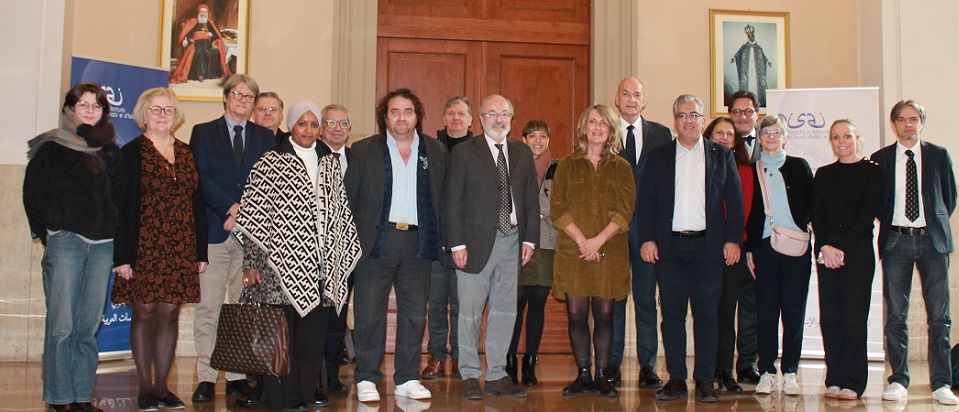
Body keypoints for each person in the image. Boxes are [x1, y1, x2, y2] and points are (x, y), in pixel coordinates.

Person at [233, 100, 361, 411]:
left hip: (320, 268)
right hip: (279, 269)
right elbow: (254, 217)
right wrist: (251, 265)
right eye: (302, 124)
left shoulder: (329, 162)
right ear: (291, 126)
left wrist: (339, 257)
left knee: (311, 339)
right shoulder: (270, 162)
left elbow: (339, 213)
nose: (308, 130)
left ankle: (306, 393)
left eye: (313, 124)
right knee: (283, 338)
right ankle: (283, 397)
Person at [24, 82, 125, 412]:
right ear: (71, 108)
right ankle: (58, 398)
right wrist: (47, 232)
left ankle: (81, 396)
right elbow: (33, 194)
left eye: (96, 106)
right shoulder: (52, 146)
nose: (90, 110)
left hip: (102, 245)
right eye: (83, 104)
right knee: (62, 326)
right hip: (67, 241)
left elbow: (120, 198)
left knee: (86, 326)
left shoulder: (111, 151)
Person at [638, 95, 744, 403]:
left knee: (707, 316)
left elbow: (735, 203)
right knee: (671, 315)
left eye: (694, 115)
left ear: (702, 120)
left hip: (708, 249)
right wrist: (647, 238)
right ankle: (676, 379)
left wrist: (733, 239)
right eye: (682, 115)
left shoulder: (720, 155)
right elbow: (646, 202)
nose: (688, 120)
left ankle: (705, 380)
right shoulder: (659, 156)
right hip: (669, 250)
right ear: (675, 121)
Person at [345, 88, 447, 403]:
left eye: (407, 111)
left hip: (418, 242)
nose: (401, 117)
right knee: (368, 314)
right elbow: (349, 201)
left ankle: (406, 379)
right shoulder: (362, 151)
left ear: (417, 116)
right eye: (394, 111)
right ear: (384, 117)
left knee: (415, 315)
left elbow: (444, 200)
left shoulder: (436, 151)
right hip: (376, 242)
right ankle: (366, 378)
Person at [111, 87, 208, 411]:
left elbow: (197, 203)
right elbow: (121, 208)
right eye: (156, 109)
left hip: (179, 246)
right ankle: (145, 388)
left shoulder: (186, 153)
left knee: (169, 313)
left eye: (168, 110)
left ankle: (163, 388)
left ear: (176, 115)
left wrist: (200, 252)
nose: (162, 115)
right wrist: (122, 257)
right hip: (143, 246)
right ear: (144, 114)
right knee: (144, 312)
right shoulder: (131, 153)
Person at [446, 94, 539, 400]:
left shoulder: (522, 152)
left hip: (513, 240)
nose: (499, 119)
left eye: (504, 114)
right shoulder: (463, 152)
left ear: (511, 119)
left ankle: (497, 374)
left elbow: (529, 200)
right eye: (492, 114)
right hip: (473, 244)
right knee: (470, 312)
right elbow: (452, 202)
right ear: (481, 119)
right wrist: (457, 244)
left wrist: (529, 239)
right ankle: (470, 374)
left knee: (504, 311)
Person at [189, 74, 274, 403]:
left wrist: (246, 213)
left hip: (250, 240)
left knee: (241, 307)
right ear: (226, 98)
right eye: (238, 94)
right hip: (214, 231)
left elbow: (266, 181)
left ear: (254, 104)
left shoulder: (264, 136)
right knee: (209, 307)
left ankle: (237, 375)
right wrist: (230, 207)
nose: (243, 100)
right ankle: (207, 377)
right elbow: (201, 176)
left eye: (249, 96)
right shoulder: (204, 132)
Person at [872, 100, 958, 405]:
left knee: (940, 317)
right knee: (896, 315)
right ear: (894, 124)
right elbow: (877, 202)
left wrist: (930, 224)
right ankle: (899, 379)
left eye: (914, 119)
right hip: (896, 242)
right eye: (902, 119)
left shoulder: (938, 155)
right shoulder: (880, 159)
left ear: (922, 123)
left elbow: (949, 198)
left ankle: (941, 383)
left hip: (933, 243)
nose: (908, 125)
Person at [551, 105, 634, 398]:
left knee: (605, 315)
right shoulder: (566, 165)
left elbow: (625, 211)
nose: (597, 127)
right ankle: (583, 374)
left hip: (609, 253)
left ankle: (602, 376)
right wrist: (583, 242)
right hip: (573, 253)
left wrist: (597, 241)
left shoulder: (621, 167)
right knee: (576, 315)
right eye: (592, 122)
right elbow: (558, 209)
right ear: (583, 127)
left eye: (604, 123)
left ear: (611, 130)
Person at [810, 119, 881, 400]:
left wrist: (841, 248)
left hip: (858, 252)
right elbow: (816, 212)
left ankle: (854, 380)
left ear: (857, 138)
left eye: (847, 136)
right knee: (831, 318)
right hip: (827, 253)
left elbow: (867, 215)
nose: (842, 141)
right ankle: (835, 378)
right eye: (836, 136)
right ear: (830, 141)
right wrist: (826, 245)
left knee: (853, 318)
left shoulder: (871, 172)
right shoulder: (823, 173)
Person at [744, 115, 813, 396]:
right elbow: (747, 213)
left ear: (785, 136)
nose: (771, 136)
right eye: (765, 132)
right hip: (763, 249)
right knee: (766, 310)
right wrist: (749, 249)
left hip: (796, 248)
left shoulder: (799, 166)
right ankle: (767, 370)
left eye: (776, 132)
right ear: (758, 138)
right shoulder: (751, 170)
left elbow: (813, 204)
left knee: (794, 312)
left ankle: (791, 371)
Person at [609, 77, 671, 389]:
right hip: (614, 231)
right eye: (626, 94)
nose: (631, 99)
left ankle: (648, 365)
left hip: (649, 232)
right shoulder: (604, 130)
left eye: (637, 95)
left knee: (647, 300)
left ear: (644, 101)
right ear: (617, 99)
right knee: (615, 299)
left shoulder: (661, 134)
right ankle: (612, 364)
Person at [423, 96, 474, 380]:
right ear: (444, 118)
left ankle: (459, 357)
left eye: (462, 114)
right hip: (436, 241)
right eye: (451, 113)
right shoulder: (430, 149)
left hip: (466, 242)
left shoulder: (479, 150)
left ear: (470, 120)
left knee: (462, 303)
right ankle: (436, 357)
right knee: (437, 302)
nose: (456, 118)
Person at [505, 120, 558, 387]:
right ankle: (510, 361)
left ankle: (530, 362)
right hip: (515, 242)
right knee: (514, 307)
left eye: (543, 136)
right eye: (532, 136)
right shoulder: (513, 163)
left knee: (537, 307)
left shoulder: (558, 167)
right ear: (523, 139)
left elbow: (560, 205)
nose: (537, 140)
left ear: (549, 139)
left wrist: (537, 212)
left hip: (547, 244)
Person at [704, 117, 753, 395]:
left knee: (726, 313)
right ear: (709, 136)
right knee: (706, 313)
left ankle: (725, 371)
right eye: (718, 132)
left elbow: (740, 211)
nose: (723, 137)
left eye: (729, 134)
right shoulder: (698, 165)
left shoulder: (744, 170)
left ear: (735, 141)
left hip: (731, 250)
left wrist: (729, 241)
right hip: (703, 249)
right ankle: (706, 372)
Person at [317, 103, 354, 396]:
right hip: (314, 256)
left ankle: (331, 376)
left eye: (343, 124)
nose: (337, 129)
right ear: (321, 127)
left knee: (337, 320)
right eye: (331, 123)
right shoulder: (310, 157)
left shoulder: (357, 159)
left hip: (347, 256)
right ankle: (311, 377)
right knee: (315, 319)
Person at [726, 90, 761, 385]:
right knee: (724, 306)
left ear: (756, 114)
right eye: (736, 112)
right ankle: (720, 364)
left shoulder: (769, 143)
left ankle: (747, 363)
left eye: (747, 112)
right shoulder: (718, 147)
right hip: (726, 240)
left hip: (759, 240)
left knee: (752, 307)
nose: (742, 117)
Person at [169, 4, 232, 84]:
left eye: (205, 12)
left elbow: (217, 34)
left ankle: (212, 74)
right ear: (199, 12)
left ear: (207, 13)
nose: (203, 14)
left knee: (215, 52)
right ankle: (200, 75)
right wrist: (186, 39)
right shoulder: (193, 22)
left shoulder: (210, 23)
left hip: (208, 44)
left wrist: (211, 34)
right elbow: (188, 33)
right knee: (199, 53)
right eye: (201, 12)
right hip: (196, 44)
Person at [729, 24, 771, 106]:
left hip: (756, 71)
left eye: (751, 36)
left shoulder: (758, 47)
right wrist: (734, 58)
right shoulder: (745, 47)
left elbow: (763, 56)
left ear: (753, 36)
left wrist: (768, 61)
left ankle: (758, 100)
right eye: (749, 36)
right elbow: (738, 54)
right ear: (748, 37)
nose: (751, 37)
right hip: (748, 70)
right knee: (748, 83)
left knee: (756, 83)